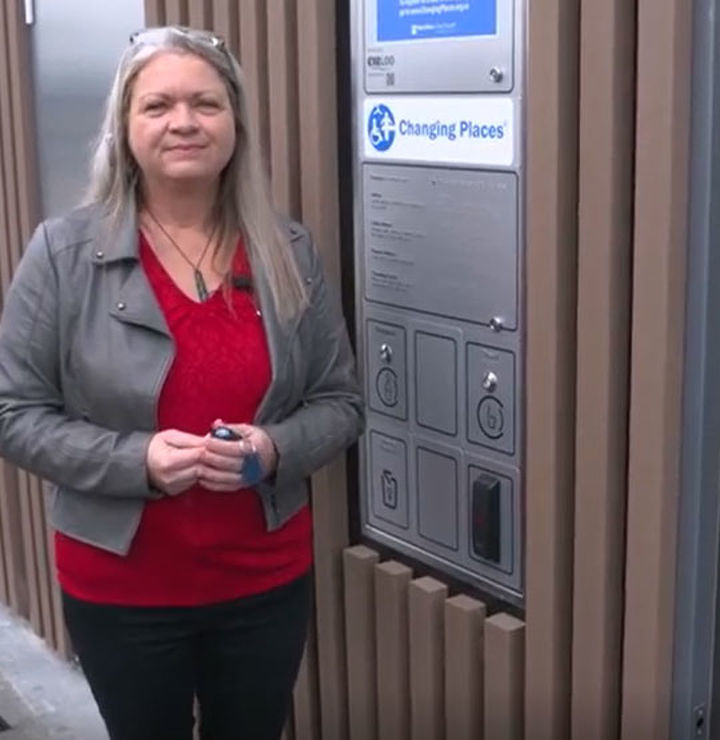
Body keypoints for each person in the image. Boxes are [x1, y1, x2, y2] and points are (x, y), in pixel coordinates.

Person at [0, 25, 363, 740]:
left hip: (264, 577)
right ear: (125, 127)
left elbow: (339, 402)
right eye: (158, 105)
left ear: (235, 123)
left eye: (206, 103)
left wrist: (272, 449)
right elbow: (13, 412)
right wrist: (137, 461)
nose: (185, 122)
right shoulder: (63, 254)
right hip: (123, 587)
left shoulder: (287, 251)